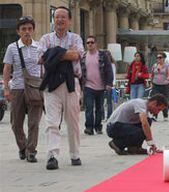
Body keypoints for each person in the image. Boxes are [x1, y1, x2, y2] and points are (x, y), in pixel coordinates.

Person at [38, 6, 84, 170]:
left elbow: (77, 55)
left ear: (69, 20)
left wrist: (54, 53)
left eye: (63, 17)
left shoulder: (76, 38)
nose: (60, 20)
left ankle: (75, 154)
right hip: (51, 83)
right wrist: (64, 54)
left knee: (73, 120)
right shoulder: (45, 38)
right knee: (51, 121)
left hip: (71, 82)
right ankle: (52, 155)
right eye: (57, 17)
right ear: (53, 19)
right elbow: (41, 59)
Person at [2, 16, 43, 163]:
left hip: (35, 88)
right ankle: (22, 147)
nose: (27, 32)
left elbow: (43, 67)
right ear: (18, 31)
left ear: (33, 30)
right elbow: (7, 68)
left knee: (34, 123)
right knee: (16, 123)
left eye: (29, 29)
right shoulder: (12, 48)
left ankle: (31, 151)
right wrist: (7, 89)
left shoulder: (39, 47)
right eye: (23, 29)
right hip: (18, 88)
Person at [80, 35, 113, 135]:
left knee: (99, 108)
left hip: (101, 86)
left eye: (92, 42)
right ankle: (89, 127)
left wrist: (109, 83)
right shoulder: (83, 56)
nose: (90, 44)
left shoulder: (102, 55)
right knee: (89, 108)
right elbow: (80, 71)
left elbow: (109, 70)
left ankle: (98, 127)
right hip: (88, 86)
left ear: (96, 44)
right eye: (88, 43)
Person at [150, 52, 169, 121]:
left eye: (160, 57)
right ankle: (154, 115)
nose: (158, 59)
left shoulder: (167, 66)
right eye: (157, 57)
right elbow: (152, 74)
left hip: (165, 85)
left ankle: (165, 115)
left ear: (164, 58)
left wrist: (168, 78)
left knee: (164, 100)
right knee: (156, 100)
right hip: (156, 85)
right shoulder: (154, 66)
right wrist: (151, 82)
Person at [104, 51, 117, 120]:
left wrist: (113, 84)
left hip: (110, 84)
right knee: (102, 101)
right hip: (103, 84)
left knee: (109, 101)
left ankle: (109, 116)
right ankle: (103, 116)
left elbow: (113, 75)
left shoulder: (112, 64)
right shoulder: (103, 64)